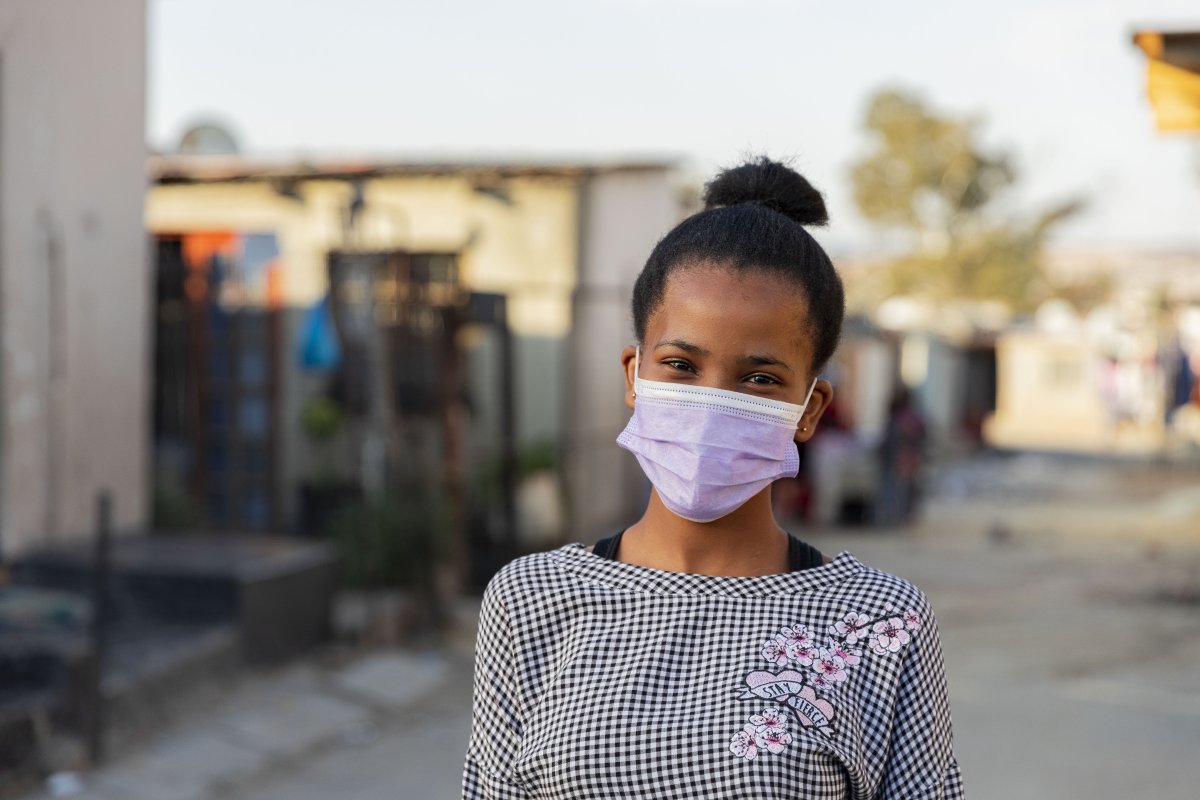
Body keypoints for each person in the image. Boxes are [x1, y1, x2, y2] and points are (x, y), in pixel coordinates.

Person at [463, 158, 964, 799]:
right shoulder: (532, 602)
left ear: (809, 409)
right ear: (633, 376)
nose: (713, 402)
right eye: (680, 364)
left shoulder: (878, 623)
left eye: (759, 378)